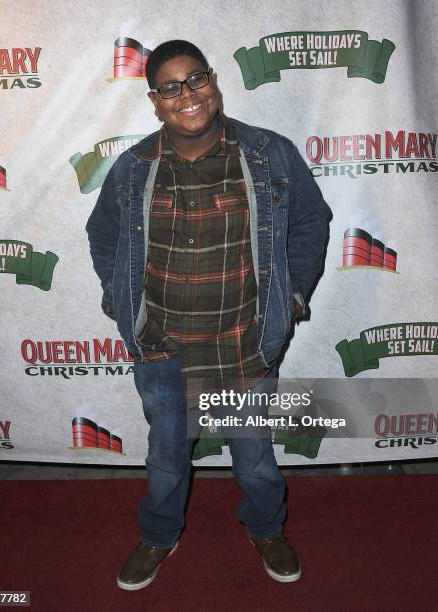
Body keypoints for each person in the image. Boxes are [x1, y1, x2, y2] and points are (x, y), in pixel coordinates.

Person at [86, 39, 331, 591]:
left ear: (214, 81)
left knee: (256, 460)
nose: (187, 96)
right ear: (154, 101)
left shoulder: (271, 154)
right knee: (167, 460)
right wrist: (120, 301)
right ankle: (159, 536)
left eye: (195, 80)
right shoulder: (132, 168)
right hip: (163, 347)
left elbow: (310, 223)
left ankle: (266, 528)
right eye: (170, 88)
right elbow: (103, 235)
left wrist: (290, 299)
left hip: (246, 342)